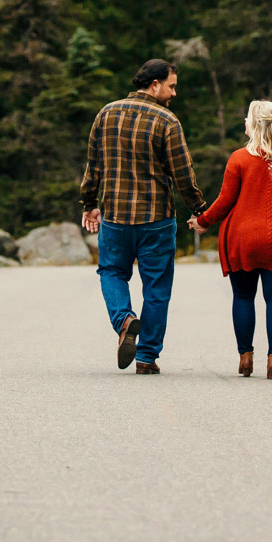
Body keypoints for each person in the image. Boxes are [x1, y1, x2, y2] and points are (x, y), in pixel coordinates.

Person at [80, 59, 206, 375]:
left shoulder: (106, 114)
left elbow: (93, 166)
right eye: (172, 86)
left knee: (111, 272)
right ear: (154, 84)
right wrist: (199, 209)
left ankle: (124, 320)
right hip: (156, 220)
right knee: (157, 288)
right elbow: (183, 174)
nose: (174, 93)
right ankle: (147, 358)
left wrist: (88, 203)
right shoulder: (167, 121)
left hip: (116, 217)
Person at [192, 99, 272, 380]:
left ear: (255, 124)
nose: (244, 121)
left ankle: (245, 357)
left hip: (244, 237)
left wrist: (203, 220)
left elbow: (226, 200)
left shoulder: (240, 158)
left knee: (243, 296)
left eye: (247, 117)